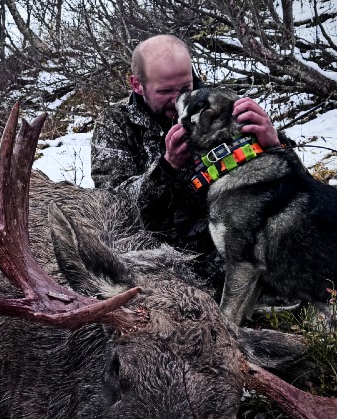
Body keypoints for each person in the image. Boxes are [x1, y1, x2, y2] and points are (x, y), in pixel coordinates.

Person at [91, 34, 284, 285]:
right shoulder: (115, 123)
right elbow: (113, 206)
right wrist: (166, 167)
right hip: (159, 252)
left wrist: (275, 145)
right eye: (165, 91)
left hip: (228, 235)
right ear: (137, 85)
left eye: (184, 88)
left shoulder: (219, 104)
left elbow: (290, 182)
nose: (177, 100)